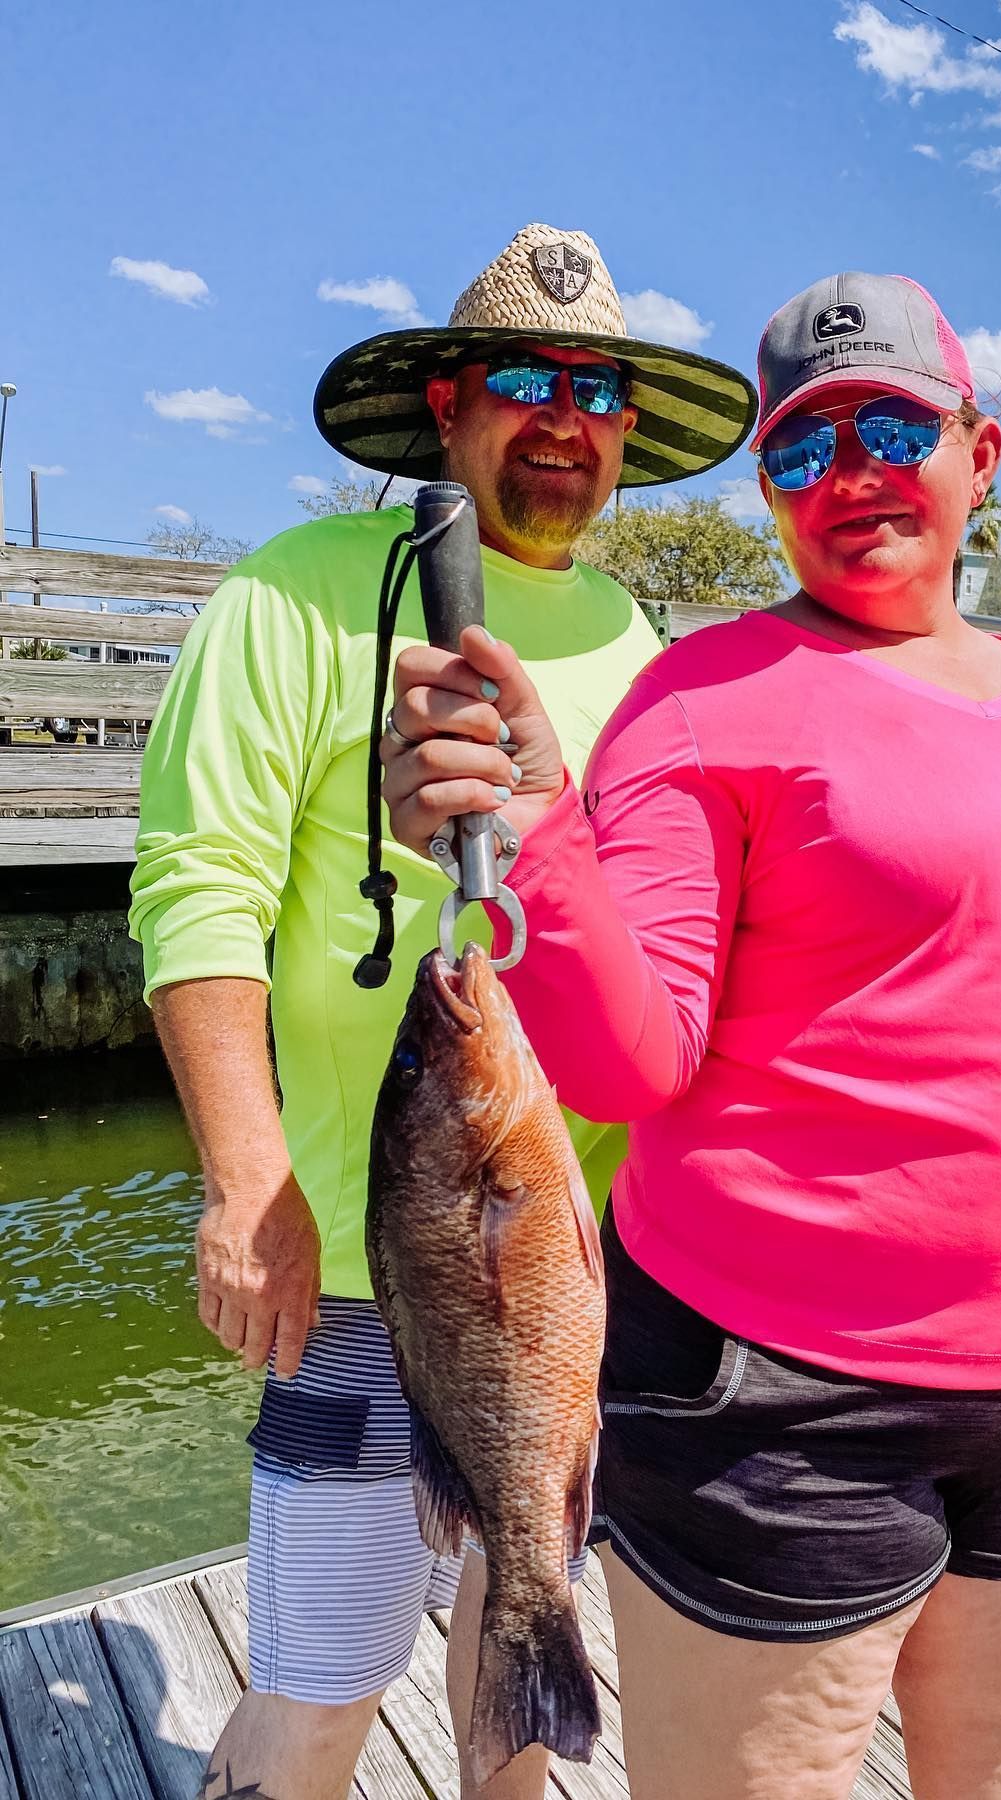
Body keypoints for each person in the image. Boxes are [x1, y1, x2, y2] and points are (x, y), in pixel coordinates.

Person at [381, 271, 1001, 1800]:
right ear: (772, 492)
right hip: (778, 1398)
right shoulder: (702, 695)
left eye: (891, 429)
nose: (847, 477)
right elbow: (626, 1067)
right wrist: (538, 832)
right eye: (800, 451)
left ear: (981, 455)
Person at [128, 221, 755, 1800]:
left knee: (518, 1652)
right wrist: (243, 1180)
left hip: (586, 1269)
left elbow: (669, 940)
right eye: (525, 380)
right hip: (356, 1254)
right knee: (324, 1682)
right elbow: (194, 886)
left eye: (597, 390)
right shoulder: (297, 592)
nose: (564, 418)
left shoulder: (646, 648)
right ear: (451, 404)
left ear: (627, 431)